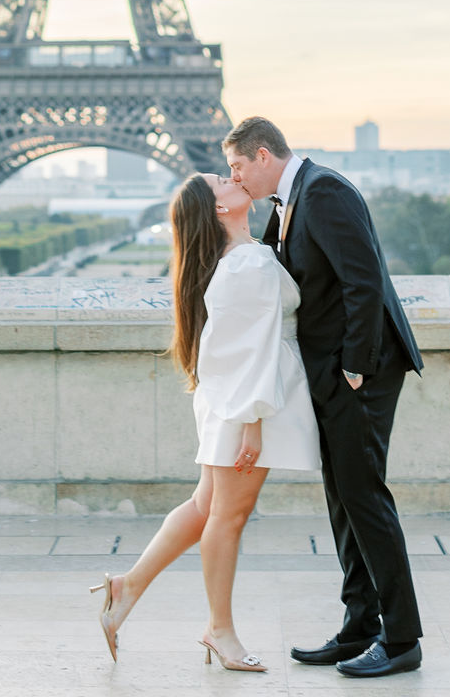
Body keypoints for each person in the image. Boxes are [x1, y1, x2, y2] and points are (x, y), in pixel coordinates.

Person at [91, 170, 320, 671]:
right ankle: (219, 629)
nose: (233, 176)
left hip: (233, 399)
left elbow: (234, 348)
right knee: (228, 516)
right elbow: (246, 351)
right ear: (219, 208)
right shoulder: (245, 266)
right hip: (246, 404)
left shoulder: (240, 259)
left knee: (206, 505)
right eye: (223, 179)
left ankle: (124, 589)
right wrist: (254, 421)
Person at [223, 117, 424, 680]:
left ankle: (402, 638)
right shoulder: (289, 202)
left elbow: (364, 281)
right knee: (343, 499)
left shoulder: (324, 191)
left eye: (238, 167)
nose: (235, 178)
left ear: (263, 155)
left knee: (364, 499)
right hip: (331, 374)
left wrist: (356, 369)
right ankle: (361, 626)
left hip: (360, 372)